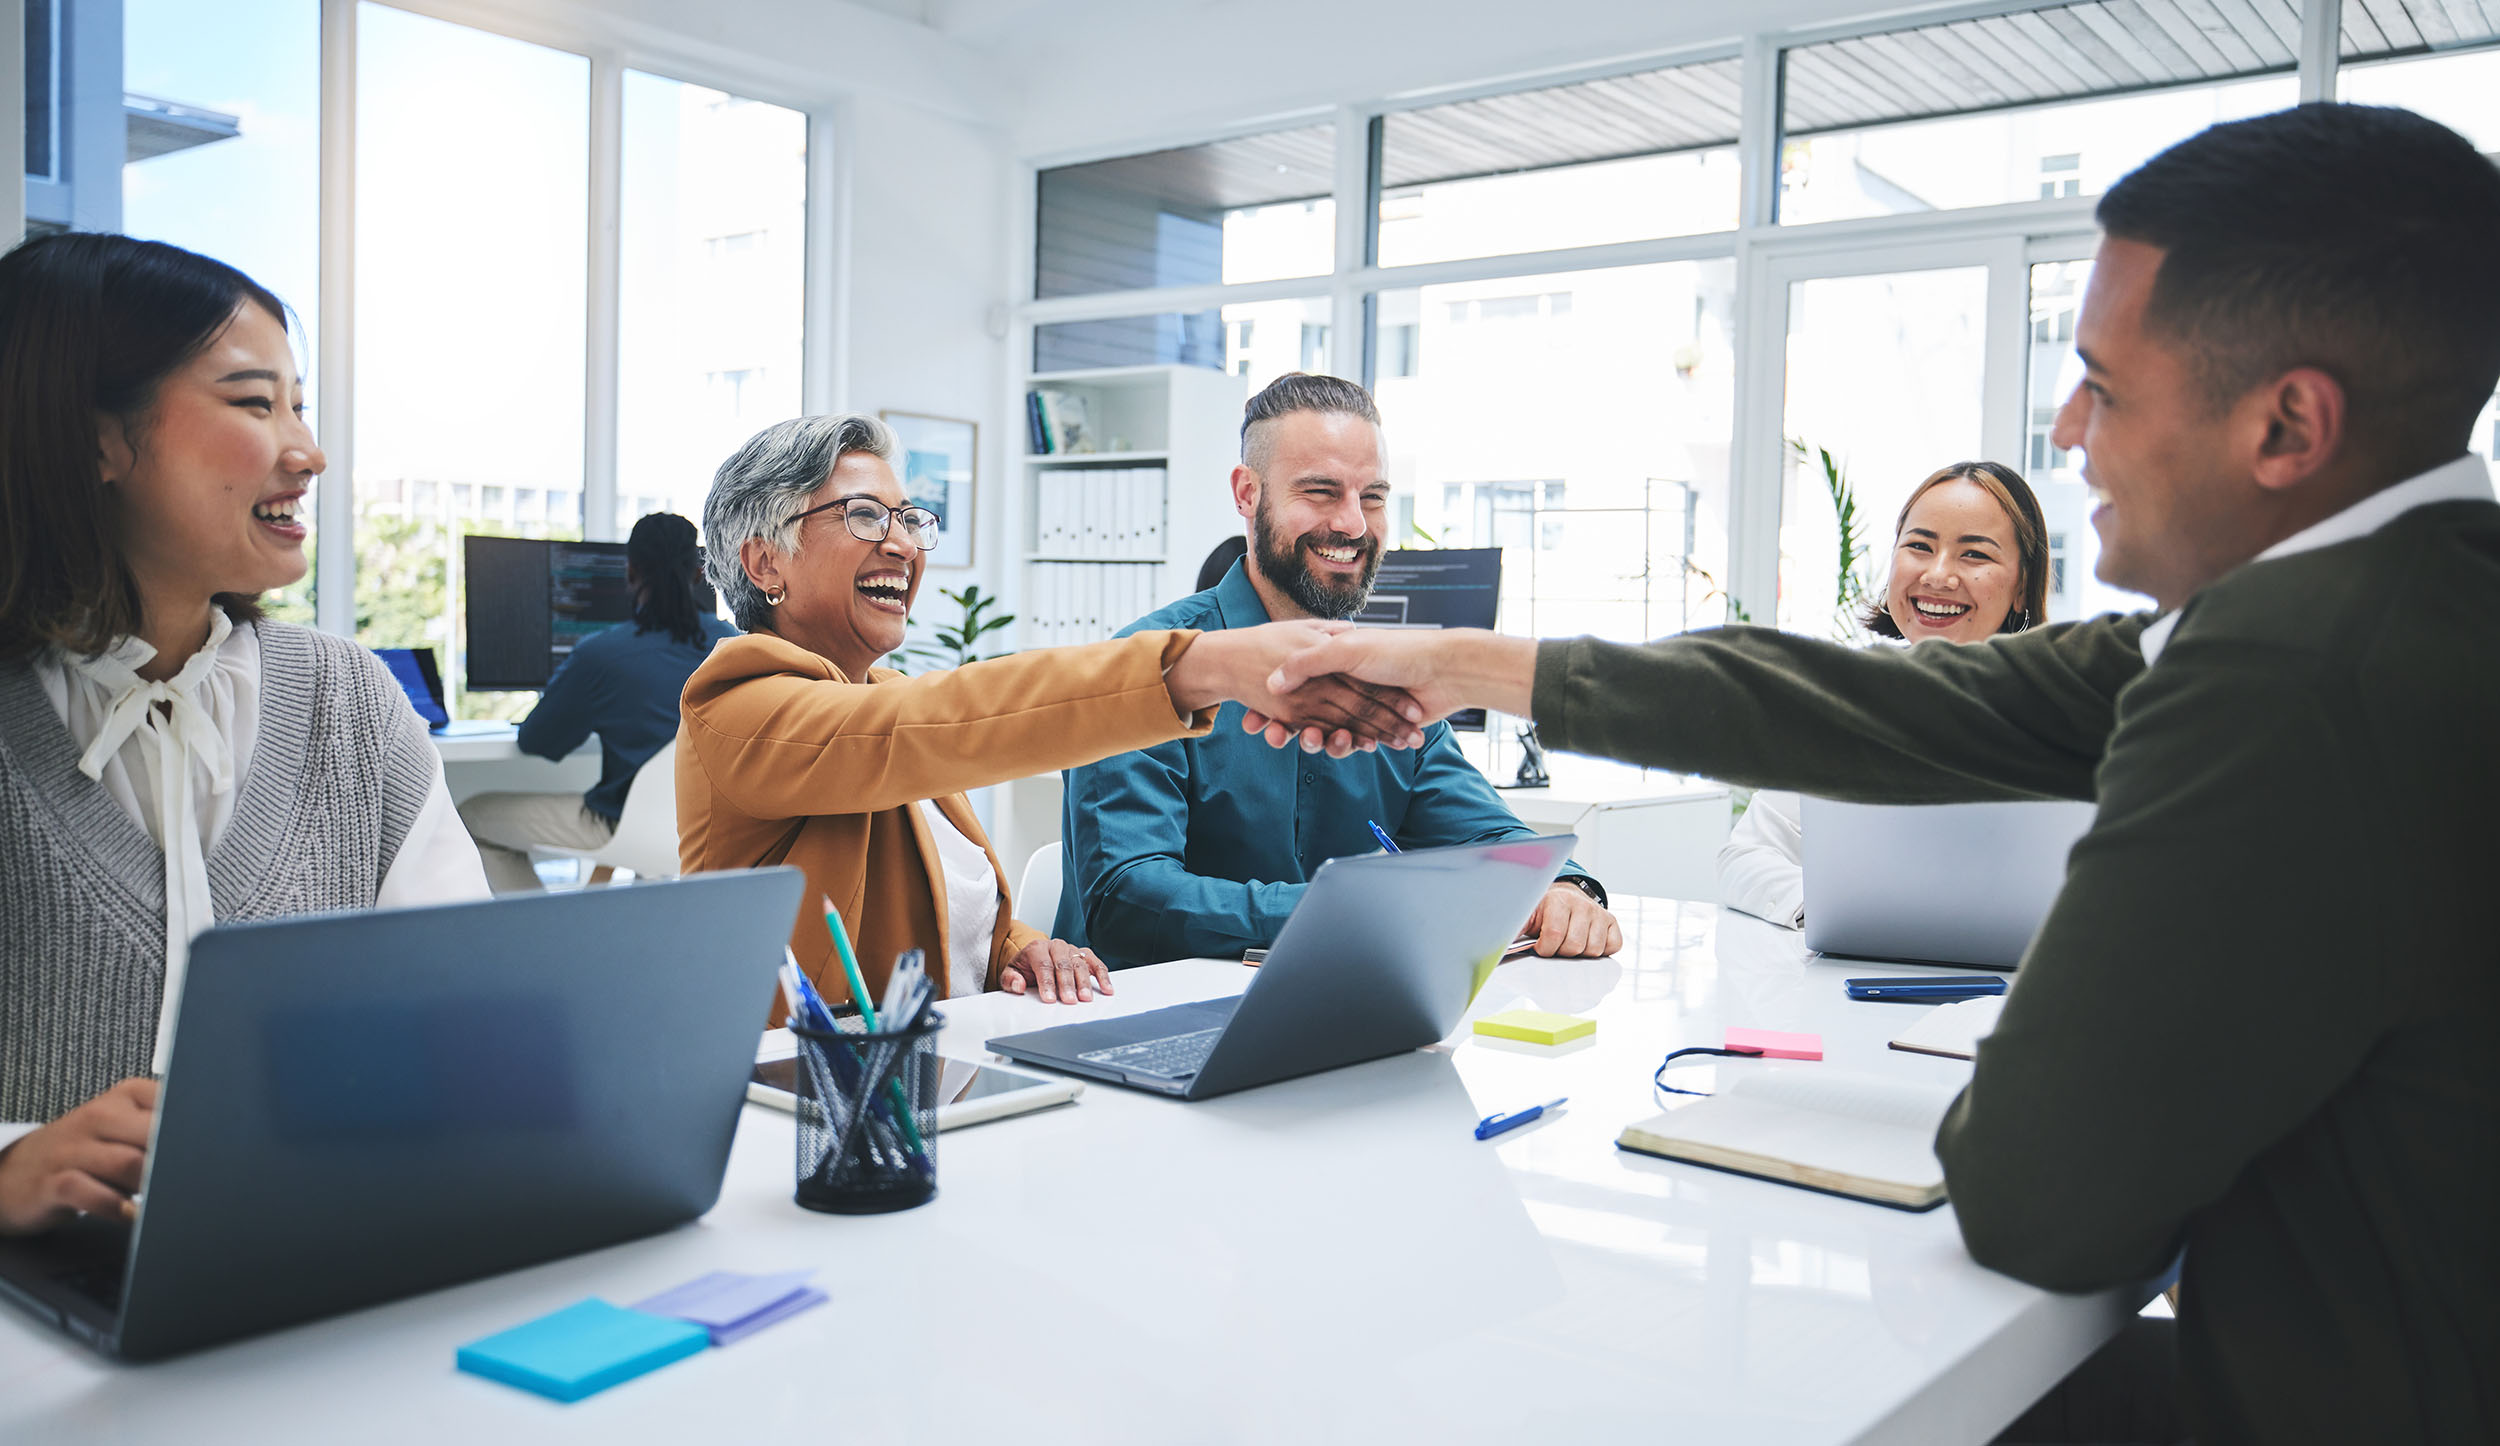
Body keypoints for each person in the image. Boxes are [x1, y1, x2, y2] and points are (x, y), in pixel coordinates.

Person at [1255, 104, 2500, 1443]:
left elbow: (2036, 1191)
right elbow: (1885, 703)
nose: (2069, 426)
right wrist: (1470, 662)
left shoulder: (2299, 682)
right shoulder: (2409, 597)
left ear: (2289, 424)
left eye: (2106, 384)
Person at [0, 234, 489, 1236]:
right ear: (96, 439)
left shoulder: (346, 699)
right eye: (254, 403)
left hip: (316, 1256)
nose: (305, 452)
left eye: (299, 406)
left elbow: (470, 1009)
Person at [677, 413, 1422, 1016]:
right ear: (764, 562)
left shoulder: (883, 698)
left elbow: (944, 907)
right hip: (819, 1103)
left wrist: (1019, 946)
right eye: (866, 516)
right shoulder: (740, 699)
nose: (903, 544)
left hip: (941, 1071)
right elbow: (928, 724)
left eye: (908, 517)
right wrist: (1204, 666)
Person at [1055, 373, 1620, 969]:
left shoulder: (1390, 677)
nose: (1353, 524)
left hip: (1341, 1011)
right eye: (1321, 492)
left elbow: (1487, 835)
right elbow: (1127, 897)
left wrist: (1564, 889)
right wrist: (1344, 912)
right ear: (1247, 494)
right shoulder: (1153, 670)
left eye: (1372, 496)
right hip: (1146, 1021)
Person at [1717, 461, 2050, 928]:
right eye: (1919, 546)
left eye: (1974, 555)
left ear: (2021, 588)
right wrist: (1828, 908)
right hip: (1850, 986)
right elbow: (1745, 857)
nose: (1938, 575)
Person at [458, 511, 737, 891]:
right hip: (714, 831)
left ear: (631, 572)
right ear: (699, 573)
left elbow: (536, 741)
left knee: (473, 817)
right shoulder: (735, 646)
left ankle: (544, 935)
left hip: (623, 826)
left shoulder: (602, 654)